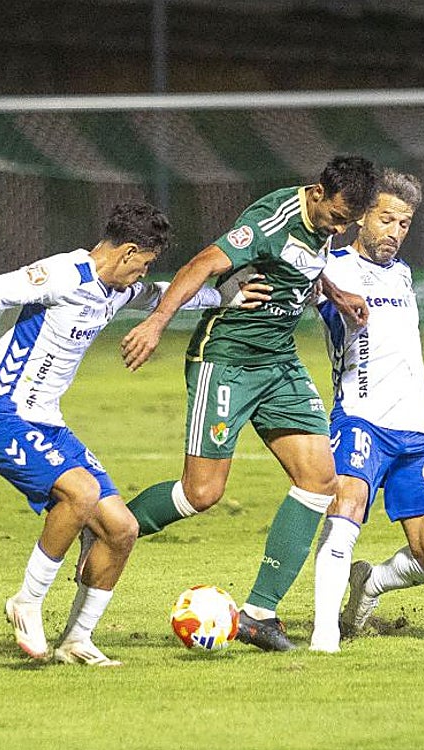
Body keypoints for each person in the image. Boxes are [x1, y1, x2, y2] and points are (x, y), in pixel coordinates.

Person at [0, 201, 269, 665]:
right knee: (81, 493)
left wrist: (223, 297)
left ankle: (77, 640)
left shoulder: (117, 289)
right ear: (128, 252)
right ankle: (26, 601)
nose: (143, 274)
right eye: (144, 264)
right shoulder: (63, 275)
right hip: (1, 417)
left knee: (122, 529)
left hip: (49, 423)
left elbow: (160, 295)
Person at [119, 156, 379, 652]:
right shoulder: (270, 220)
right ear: (317, 192)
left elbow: (304, 264)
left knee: (319, 480)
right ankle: (109, 528)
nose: (340, 229)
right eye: (337, 217)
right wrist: (155, 324)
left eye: (349, 222)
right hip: (228, 360)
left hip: (278, 361)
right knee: (201, 493)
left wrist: (334, 292)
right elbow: (202, 264)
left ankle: (259, 613)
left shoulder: (323, 223)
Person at [308, 169, 424, 653]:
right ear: (361, 218)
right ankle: (325, 634)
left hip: (418, 429)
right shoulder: (331, 268)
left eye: (405, 223)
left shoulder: (404, 274)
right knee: (346, 510)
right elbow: (302, 281)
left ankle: (370, 583)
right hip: (360, 418)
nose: (395, 231)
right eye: (386, 219)